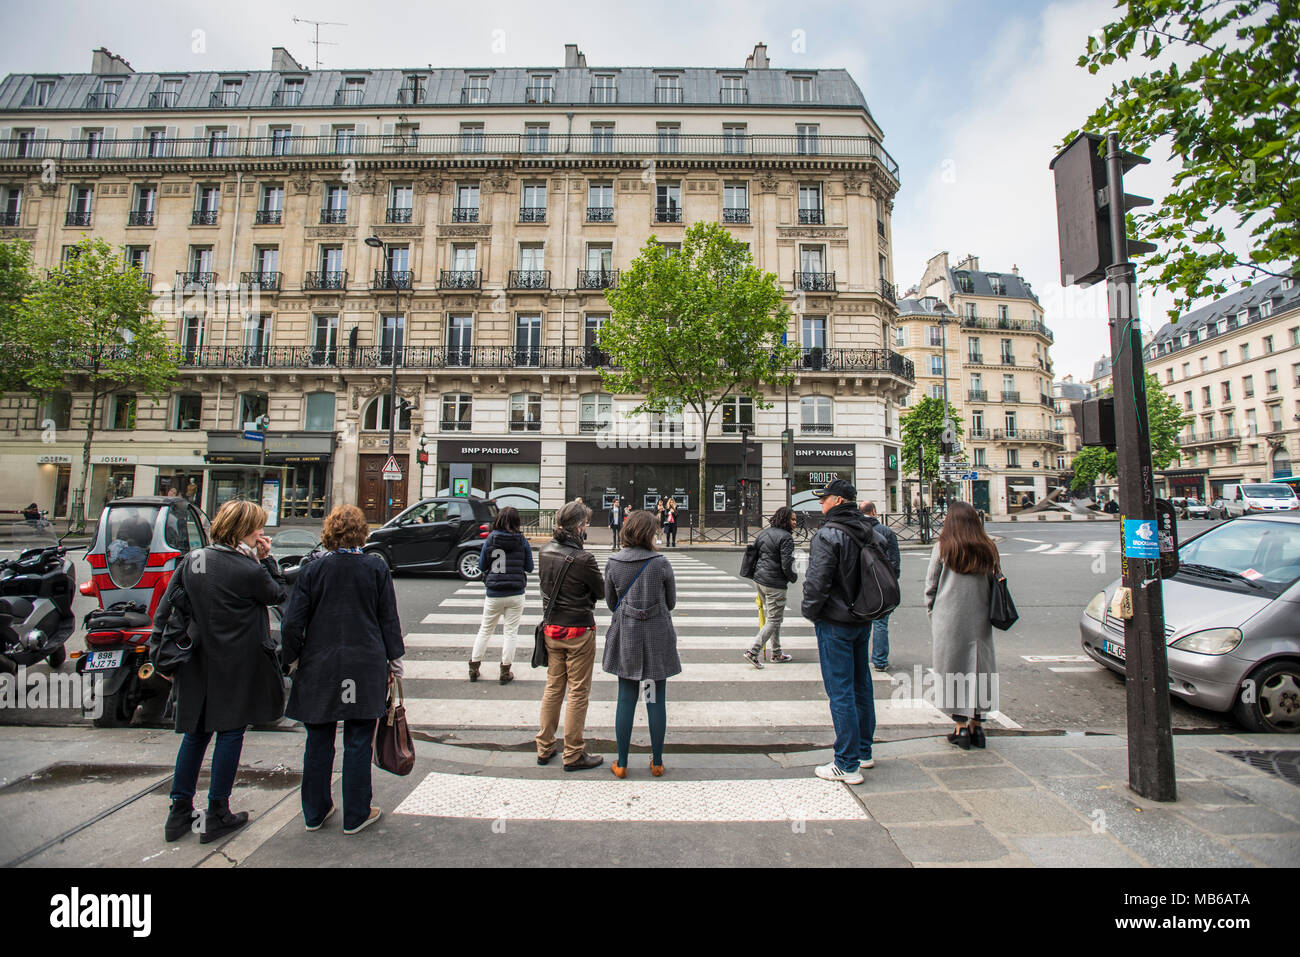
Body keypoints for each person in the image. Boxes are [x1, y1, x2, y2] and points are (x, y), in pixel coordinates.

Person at [163, 500, 288, 844]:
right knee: (230, 733)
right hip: (235, 661)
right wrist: (266, 559)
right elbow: (277, 593)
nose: (262, 533)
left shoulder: (195, 560)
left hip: (196, 659)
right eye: (258, 528)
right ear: (242, 530)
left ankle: (179, 812)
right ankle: (217, 811)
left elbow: (172, 603)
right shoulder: (247, 569)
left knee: (196, 734)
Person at [280, 504, 404, 834]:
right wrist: (394, 660)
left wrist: (290, 658)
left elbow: (292, 623)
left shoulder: (312, 569)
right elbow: (388, 619)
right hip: (364, 663)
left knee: (318, 740)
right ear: (361, 533)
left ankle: (315, 812)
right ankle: (356, 814)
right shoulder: (375, 567)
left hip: (320, 663)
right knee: (359, 739)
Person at [801, 479, 879, 784]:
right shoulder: (871, 530)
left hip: (835, 620)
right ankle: (864, 751)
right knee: (862, 685)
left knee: (841, 691)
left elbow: (817, 581)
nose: (820, 504)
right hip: (863, 617)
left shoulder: (828, 534)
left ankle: (846, 764)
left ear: (836, 501)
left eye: (824, 499)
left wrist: (811, 611)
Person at [604, 510, 680, 778]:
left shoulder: (614, 562)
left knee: (625, 698)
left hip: (628, 635)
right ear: (651, 533)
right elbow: (671, 602)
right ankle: (657, 761)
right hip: (657, 637)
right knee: (654, 698)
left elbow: (611, 603)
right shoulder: (660, 562)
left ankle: (622, 762)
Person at [536, 500, 606, 770]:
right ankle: (573, 752)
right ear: (578, 527)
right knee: (578, 692)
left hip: (552, 628)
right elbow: (600, 592)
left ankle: (544, 746)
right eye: (586, 524)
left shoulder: (544, 551)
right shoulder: (583, 558)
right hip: (578, 629)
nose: (586, 528)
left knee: (553, 687)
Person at [925, 500, 999, 750]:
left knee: (953, 670)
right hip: (980, 616)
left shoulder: (944, 547)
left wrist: (933, 614)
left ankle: (960, 727)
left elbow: (931, 586)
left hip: (948, 618)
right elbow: (995, 581)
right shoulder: (988, 547)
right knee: (980, 669)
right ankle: (978, 727)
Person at [470, 506, 533, 684]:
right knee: (510, 632)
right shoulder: (521, 541)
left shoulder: (491, 539)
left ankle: (474, 666)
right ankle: (505, 671)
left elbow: (481, 565)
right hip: (515, 592)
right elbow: (529, 567)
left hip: (494, 591)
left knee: (485, 629)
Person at [744, 506, 798, 668]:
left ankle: (776, 652)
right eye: (793, 519)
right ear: (785, 520)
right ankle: (753, 651)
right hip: (775, 582)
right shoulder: (786, 538)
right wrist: (793, 577)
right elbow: (786, 563)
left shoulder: (764, 533)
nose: (795, 523)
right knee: (774, 619)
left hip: (760, 579)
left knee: (773, 618)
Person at [860, 501, 900, 671]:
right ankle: (880, 660)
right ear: (874, 512)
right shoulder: (886, 531)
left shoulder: (855, 530)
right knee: (880, 623)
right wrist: (892, 579)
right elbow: (895, 561)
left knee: (859, 623)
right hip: (882, 582)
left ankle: (859, 660)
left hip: (861, 582)